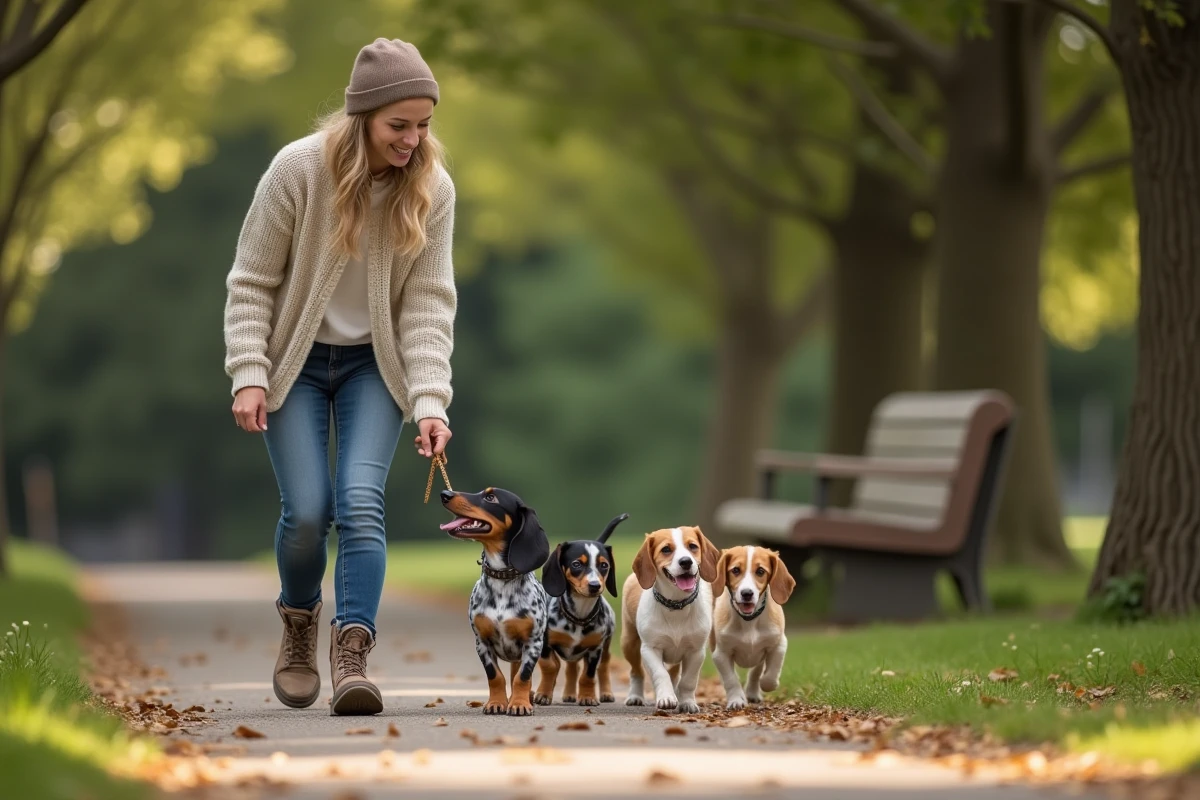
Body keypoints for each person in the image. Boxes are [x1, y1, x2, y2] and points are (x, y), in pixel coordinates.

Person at [223, 38, 456, 716]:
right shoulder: (297, 170)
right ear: (363, 118)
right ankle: (299, 624)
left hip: (372, 368)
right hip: (293, 363)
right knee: (307, 513)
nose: (413, 139)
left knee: (359, 503)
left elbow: (428, 306)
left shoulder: (432, 188)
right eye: (399, 125)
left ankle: (351, 653)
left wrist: (431, 399)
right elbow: (251, 283)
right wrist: (249, 373)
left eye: (424, 124)